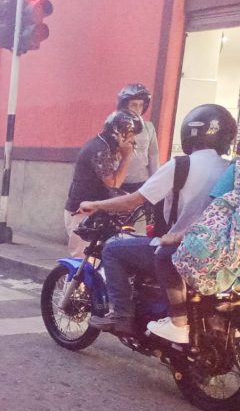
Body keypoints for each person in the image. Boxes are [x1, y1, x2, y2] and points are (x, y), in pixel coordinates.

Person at [79, 103, 236, 342]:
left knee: (112, 249)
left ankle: (122, 315)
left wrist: (96, 204)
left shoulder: (180, 165)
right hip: (219, 257)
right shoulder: (230, 170)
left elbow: (133, 201)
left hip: (179, 249)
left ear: (190, 132)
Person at [64, 109, 142, 258]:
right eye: (131, 134)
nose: (133, 140)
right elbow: (113, 183)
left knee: (99, 260)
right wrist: (127, 157)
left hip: (95, 211)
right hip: (83, 212)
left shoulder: (105, 145)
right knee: (82, 261)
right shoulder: (99, 150)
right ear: (117, 131)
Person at [116, 83, 159, 193]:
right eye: (134, 105)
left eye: (141, 105)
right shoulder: (115, 127)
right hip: (120, 183)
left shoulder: (149, 127)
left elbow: (153, 156)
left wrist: (155, 183)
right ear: (125, 106)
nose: (138, 109)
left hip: (142, 183)